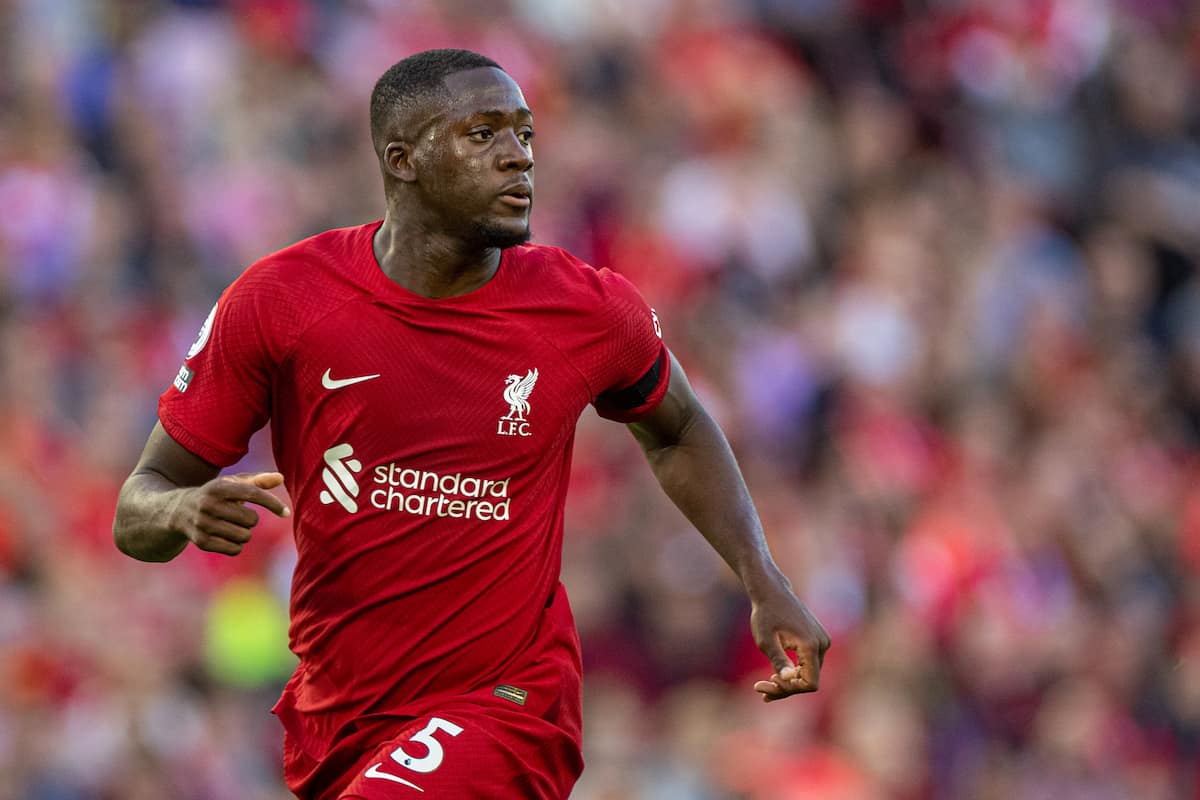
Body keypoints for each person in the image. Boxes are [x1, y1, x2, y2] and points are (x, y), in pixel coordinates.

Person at [112, 48, 830, 800]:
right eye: (482, 134)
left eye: (523, 134)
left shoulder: (586, 309)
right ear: (402, 160)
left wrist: (763, 577)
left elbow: (678, 427)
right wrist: (181, 507)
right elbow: (138, 507)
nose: (517, 157)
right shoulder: (282, 301)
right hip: (343, 719)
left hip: (510, 706)